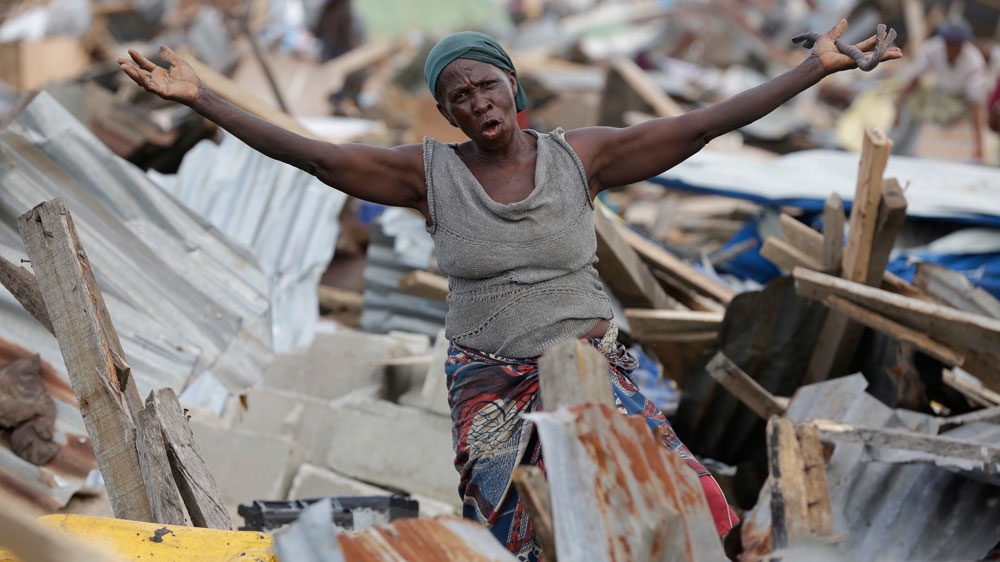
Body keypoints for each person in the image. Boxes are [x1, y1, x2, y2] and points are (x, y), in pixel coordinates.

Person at [119, 20, 900, 561]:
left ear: (512, 85)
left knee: (688, 497)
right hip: (490, 382)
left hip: (590, 366)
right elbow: (318, 157)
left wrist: (812, 69)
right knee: (512, 529)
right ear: (444, 110)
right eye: (458, 97)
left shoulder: (581, 157)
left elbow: (698, 127)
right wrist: (201, 100)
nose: (478, 105)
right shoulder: (429, 174)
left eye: (487, 87)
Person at [891, 18, 986, 162]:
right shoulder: (932, 50)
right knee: (913, 105)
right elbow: (914, 80)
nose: (951, 47)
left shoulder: (974, 62)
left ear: (962, 44)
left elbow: (975, 105)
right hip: (938, 95)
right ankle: (901, 147)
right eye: (949, 43)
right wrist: (899, 105)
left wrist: (979, 148)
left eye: (956, 44)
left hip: (960, 102)